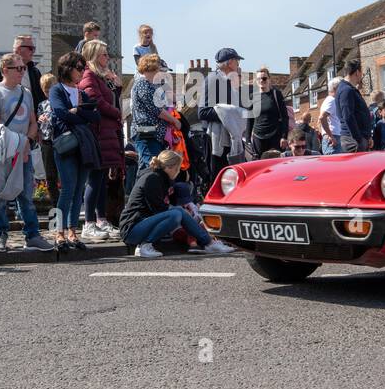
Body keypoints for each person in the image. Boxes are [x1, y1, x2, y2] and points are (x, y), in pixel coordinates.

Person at [0, 52, 54, 253]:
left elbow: (33, 122)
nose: (22, 72)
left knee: (26, 195)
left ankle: (32, 235)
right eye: (19, 68)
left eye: (24, 68)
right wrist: (17, 143)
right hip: (3, 151)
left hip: (23, 151)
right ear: (5, 70)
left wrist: (28, 141)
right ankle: (0, 235)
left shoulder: (26, 92)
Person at [119, 149, 233, 258]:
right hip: (132, 229)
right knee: (176, 214)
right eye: (177, 169)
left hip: (140, 225)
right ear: (169, 168)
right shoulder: (152, 179)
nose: (178, 172)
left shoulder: (160, 178)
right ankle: (146, 246)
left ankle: (209, 243)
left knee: (177, 213)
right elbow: (158, 208)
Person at [49, 52, 98, 251]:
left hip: (83, 145)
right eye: (78, 68)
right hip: (66, 144)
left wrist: (76, 112)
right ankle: (58, 231)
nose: (81, 72)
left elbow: (96, 116)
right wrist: (81, 115)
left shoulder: (81, 93)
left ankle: (72, 231)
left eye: (83, 68)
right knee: (67, 189)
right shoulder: (56, 90)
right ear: (67, 68)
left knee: (79, 190)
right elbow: (59, 112)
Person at [79, 39, 123, 242]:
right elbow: (95, 101)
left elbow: (111, 97)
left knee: (102, 180)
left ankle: (101, 219)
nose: (108, 57)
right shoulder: (88, 75)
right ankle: (89, 223)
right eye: (104, 54)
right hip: (97, 133)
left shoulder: (101, 77)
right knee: (95, 180)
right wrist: (116, 112)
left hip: (106, 132)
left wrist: (116, 87)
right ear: (95, 55)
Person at [199, 47, 246, 182]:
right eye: (237, 62)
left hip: (228, 137)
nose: (238, 65)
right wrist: (230, 112)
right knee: (218, 180)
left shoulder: (230, 82)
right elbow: (202, 112)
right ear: (230, 62)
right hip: (216, 140)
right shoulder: (213, 79)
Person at [130, 53, 177, 169]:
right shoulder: (142, 84)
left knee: (148, 167)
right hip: (146, 133)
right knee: (151, 167)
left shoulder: (155, 85)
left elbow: (171, 102)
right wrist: (175, 121)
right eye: (159, 68)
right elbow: (157, 109)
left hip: (155, 134)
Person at [0, 33, 46, 111]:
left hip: (32, 118)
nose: (33, 51)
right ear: (19, 49)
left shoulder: (35, 72)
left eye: (34, 48)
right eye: (31, 48)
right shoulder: (0, 71)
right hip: (9, 118)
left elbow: (41, 97)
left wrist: (41, 114)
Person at [246, 65, 288, 157]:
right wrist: (248, 140)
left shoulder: (276, 94)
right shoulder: (252, 97)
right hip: (258, 137)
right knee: (259, 164)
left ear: (269, 79)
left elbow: (285, 117)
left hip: (275, 136)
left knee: (276, 164)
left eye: (264, 78)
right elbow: (249, 119)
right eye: (259, 79)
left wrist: (284, 137)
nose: (261, 81)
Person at [336, 61, 373, 153]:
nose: (362, 75)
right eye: (361, 73)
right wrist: (359, 139)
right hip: (353, 141)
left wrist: (367, 137)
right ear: (357, 72)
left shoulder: (348, 89)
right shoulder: (346, 90)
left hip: (356, 139)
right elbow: (348, 116)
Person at [37, 72, 60, 205]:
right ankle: (54, 203)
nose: (47, 93)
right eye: (45, 91)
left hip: (60, 140)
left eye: (50, 90)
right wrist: (39, 118)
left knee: (63, 174)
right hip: (47, 142)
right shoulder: (42, 105)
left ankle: (66, 202)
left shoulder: (61, 102)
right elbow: (39, 119)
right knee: (50, 175)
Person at [319, 80, 342, 154]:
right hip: (334, 137)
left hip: (335, 136)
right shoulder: (331, 100)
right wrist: (330, 136)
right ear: (336, 88)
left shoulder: (332, 100)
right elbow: (322, 117)